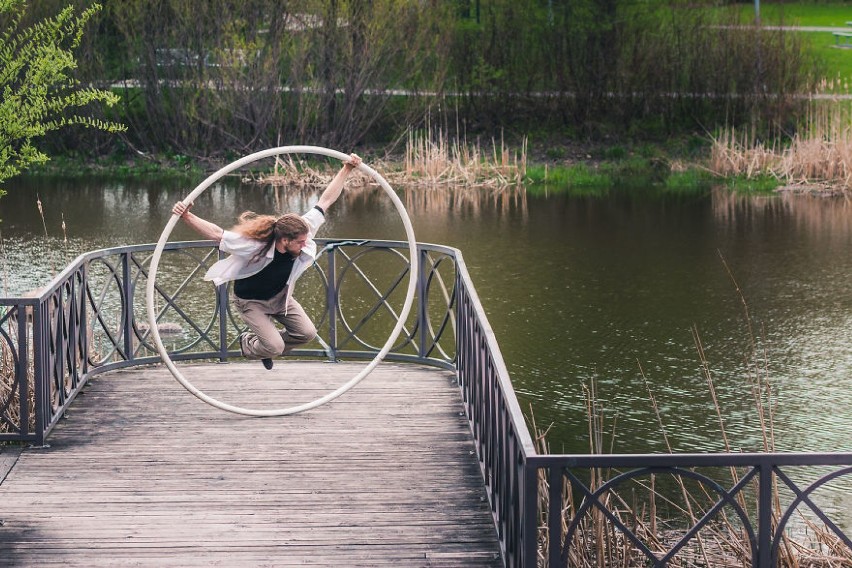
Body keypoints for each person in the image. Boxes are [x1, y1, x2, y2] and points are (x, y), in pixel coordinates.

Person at [172, 153, 362, 370]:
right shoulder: (254, 245)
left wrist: (347, 169)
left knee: (306, 333)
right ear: (284, 240)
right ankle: (252, 344)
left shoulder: (303, 229)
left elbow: (325, 200)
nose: (305, 245)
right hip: (251, 301)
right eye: (299, 242)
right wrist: (187, 216)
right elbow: (217, 234)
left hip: (280, 297)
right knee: (274, 347)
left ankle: (267, 345)